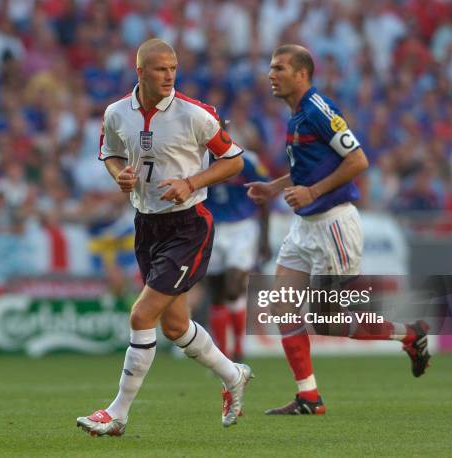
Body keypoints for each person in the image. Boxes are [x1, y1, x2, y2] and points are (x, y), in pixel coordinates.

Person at [76, 39, 252, 437]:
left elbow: (234, 161)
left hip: (189, 225)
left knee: (141, 315)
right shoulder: (116, 113)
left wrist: (191, 182)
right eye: (160, 69)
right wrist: (119, 174)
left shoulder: (197, 115)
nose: (169, 75)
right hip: (147, 224)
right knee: (174, 326)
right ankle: (233, 374)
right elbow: (110, 153)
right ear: (140, 72)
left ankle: (117, 413)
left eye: (173, 67)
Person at [246, 44, 431, 416]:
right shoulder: (296, 115)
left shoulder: (318, 109)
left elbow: (358, 159)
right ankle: (309, 397)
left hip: (333, 224)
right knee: (282, 305)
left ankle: (410, 333)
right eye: (270, 68)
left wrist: (312, 191)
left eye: (280, 68)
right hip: (305, 227)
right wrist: (274, 187)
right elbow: (308, 169)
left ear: (302, 74)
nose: (271, 74)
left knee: (326, 321)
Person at [205, 149, 271, 362]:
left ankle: (239, 349)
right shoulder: (197, 158)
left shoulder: (247, 160)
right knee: (216, 294)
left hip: (242, 227)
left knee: (233, 288)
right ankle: (223, 354)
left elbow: (264, 195)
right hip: (210, 227)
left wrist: (265, 237)